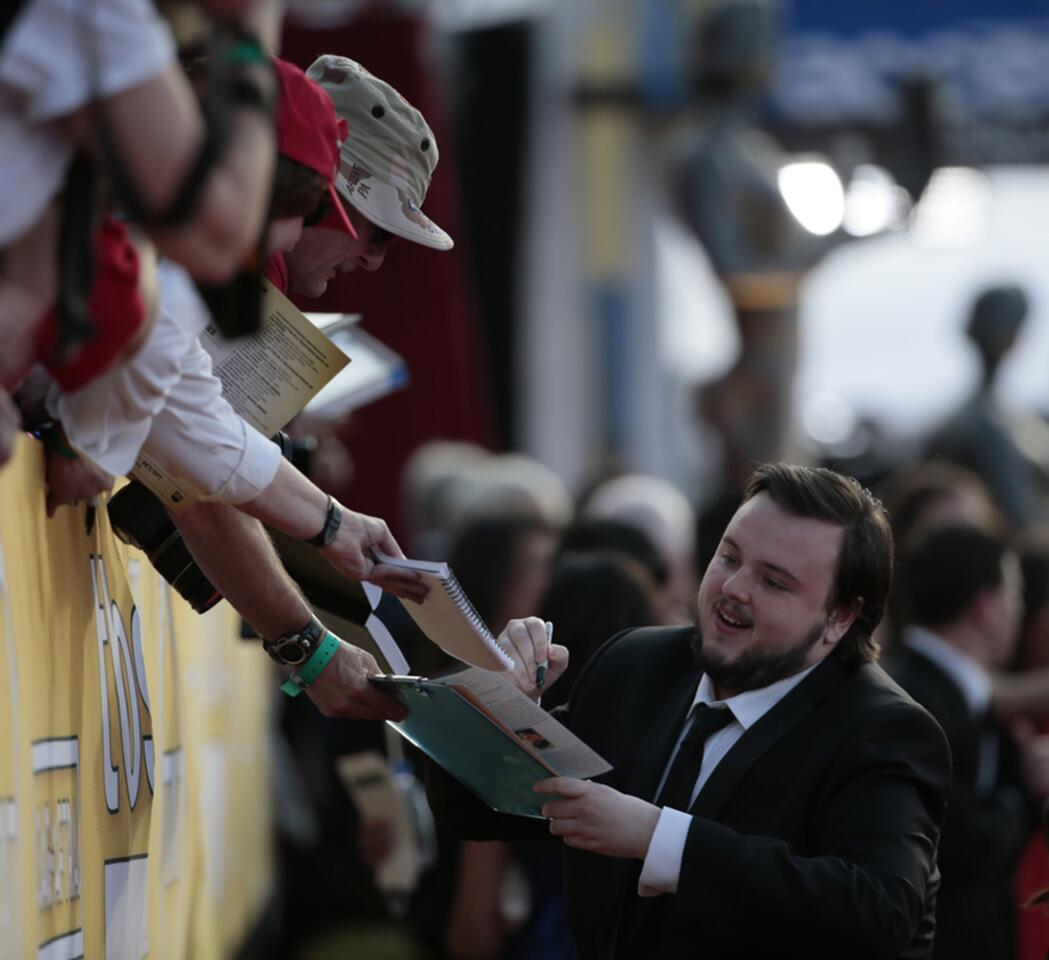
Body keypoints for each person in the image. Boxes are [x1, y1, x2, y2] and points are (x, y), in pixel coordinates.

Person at [427, 462, 951, 959]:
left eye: (773, 581)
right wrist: (496, 702)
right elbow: (474, 809)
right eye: (729, 557)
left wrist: (662, 839)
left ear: (838, 618)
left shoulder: (881, 730)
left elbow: (879, 912)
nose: (734, 588)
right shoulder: (636, 666)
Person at [890, 525, 1049, 960]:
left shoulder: (945, 692)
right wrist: (1024, 794)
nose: (1018, 611)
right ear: (984, 607)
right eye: (1013, 595)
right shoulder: (916, 702)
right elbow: (953, 842)